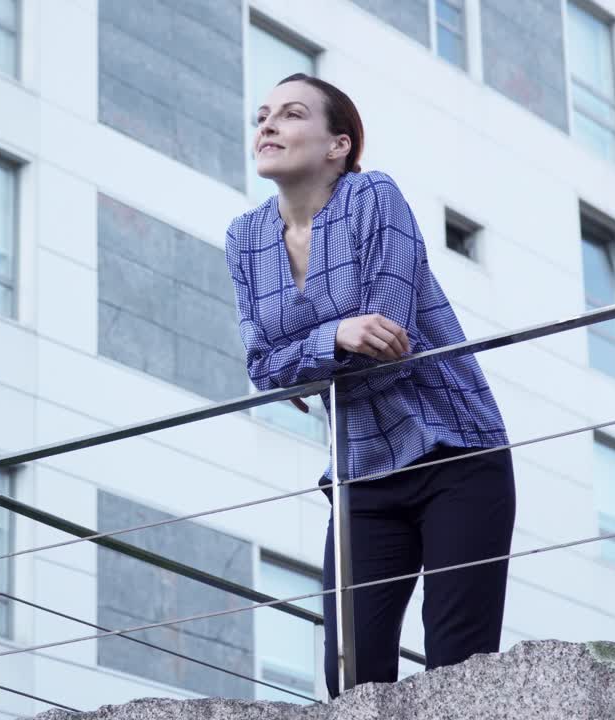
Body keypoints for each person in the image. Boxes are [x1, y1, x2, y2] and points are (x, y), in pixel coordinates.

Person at [223, 73, 516, 698]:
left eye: (291, 113)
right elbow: (262, 368)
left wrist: (306, 360)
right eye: (262, 115)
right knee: (351, 682)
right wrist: (335, 337)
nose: (268, 124)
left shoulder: (372, 196)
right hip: (360, 474)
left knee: (459, 672)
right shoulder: (244, 240)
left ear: (339, 145)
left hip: (455, 451)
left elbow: (391, 344)